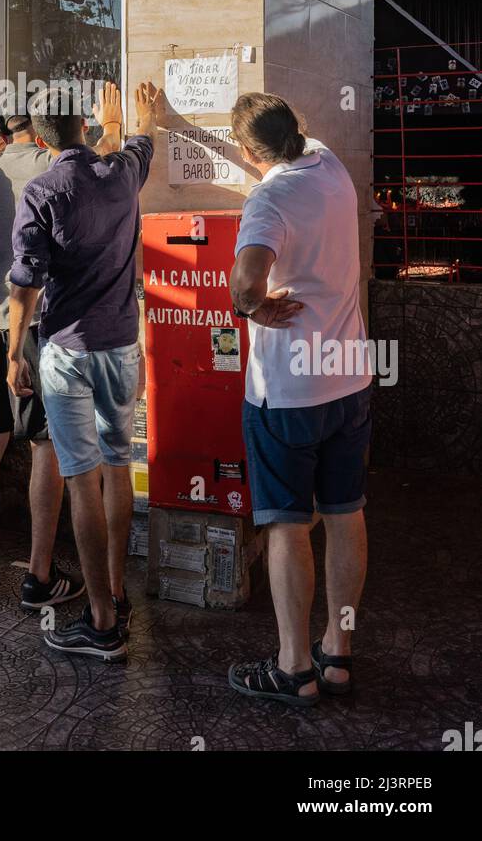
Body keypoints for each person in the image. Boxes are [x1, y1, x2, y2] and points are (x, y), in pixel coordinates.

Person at [6, 81, 160, 662]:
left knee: (81, 478)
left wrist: (14, 349)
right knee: (118, 466)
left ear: (42, 140)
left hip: (67, 351)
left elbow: (25, 284)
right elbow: (143, 141)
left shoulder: (42, 190)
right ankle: (117, 592)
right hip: (122, 345)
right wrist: (130, 119)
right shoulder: (121, 173)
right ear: (85, 128)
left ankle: (100, 624)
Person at [226, 93, 371, 707]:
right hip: (349, 377)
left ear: (246, 152)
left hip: (287, 391)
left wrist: (251, 305)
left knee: (286, 524)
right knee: (344, 514)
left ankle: (293, 667)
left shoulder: (267, 201)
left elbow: (245, 281)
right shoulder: (332, 169)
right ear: (298, 132)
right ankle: (336, 655)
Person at [0, 111, 83, 609]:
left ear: (0, 131)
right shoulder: (52, 166)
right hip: (34, 323)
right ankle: (37, 573)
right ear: (39, 131)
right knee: (43, 446)